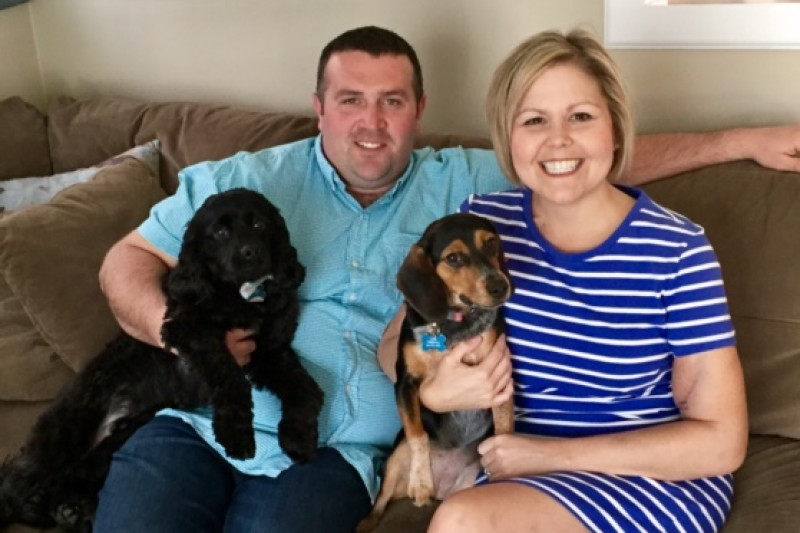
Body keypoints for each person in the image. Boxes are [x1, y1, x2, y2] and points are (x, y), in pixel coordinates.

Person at [95, 25, 798, 533]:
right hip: (206, 418)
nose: (372, 122)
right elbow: (127, 262)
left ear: (420, 110)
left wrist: (739, 141)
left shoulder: (481, 198)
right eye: (350, 99)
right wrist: (187, 339)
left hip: (351, 455)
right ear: (319, 106)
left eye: (392, 101)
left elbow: (581, 161)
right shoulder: (259, 181)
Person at [383, 28, 746, 533]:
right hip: (517, 472)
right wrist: (438, 389)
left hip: (649, 475)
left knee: (463, 520)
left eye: (581, 116)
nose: (559, 139)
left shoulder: (678, 251)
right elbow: (405, 339)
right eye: (534, 120)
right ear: (508, 138)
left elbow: (721, 442)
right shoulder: (484, 229)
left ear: (614, 128)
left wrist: (552, 456)